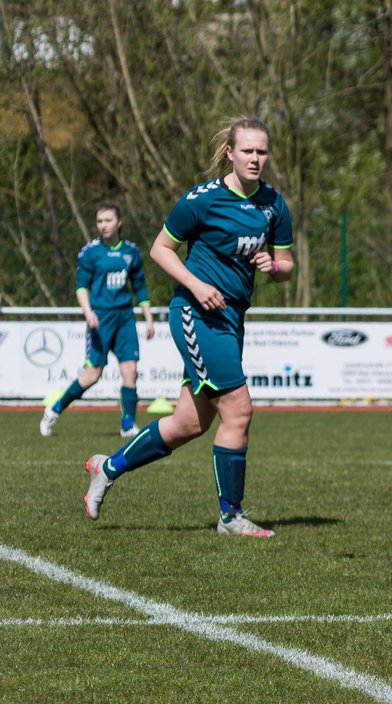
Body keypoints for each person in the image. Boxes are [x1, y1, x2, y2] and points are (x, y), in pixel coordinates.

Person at [82, 117, 293, 537]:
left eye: (262, 151)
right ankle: (231, 517)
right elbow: (162, 249)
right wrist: (197, 286)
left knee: (188, 424)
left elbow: (286, 265)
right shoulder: (202, 200)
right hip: (195, 315)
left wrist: (275, 266)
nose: (255, 158)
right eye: (247, 150)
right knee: (239, 409)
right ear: (230, 153)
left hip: (232, 318)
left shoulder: (274, 204)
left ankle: (106, 468)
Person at [40, 203, 155, 438]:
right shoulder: (90, 252)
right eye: (99, 221)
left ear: (119, 222)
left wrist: (149, 318)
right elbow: (81, 286)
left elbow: (140, 287)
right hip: (100, 319)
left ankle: (128, 424)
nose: (103, 225)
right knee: (93, 374)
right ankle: (54, 409)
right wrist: (88, 311)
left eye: (108, 220)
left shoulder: (131, 252)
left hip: (125, 318)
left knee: (130, 371)